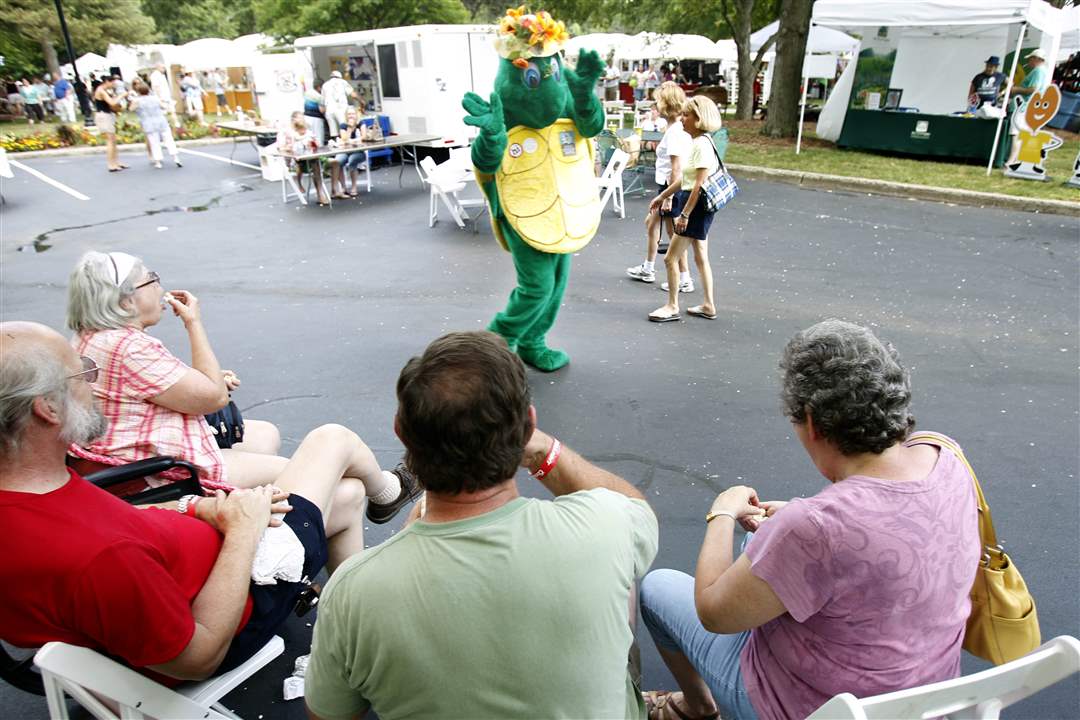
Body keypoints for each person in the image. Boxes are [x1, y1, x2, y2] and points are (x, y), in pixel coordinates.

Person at [0, 320, 391, 684]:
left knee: (348, 495)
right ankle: (386, 502)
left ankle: (357, 633)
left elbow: (108, 521)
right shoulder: (98, 559)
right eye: (83, 373)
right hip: (241, 600)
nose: (94, 385)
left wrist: (193, 506)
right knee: (331, 440)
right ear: (46, 409)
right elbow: (196, 657)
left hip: (192, 553)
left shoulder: (30, 489)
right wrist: (242, 530)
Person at [305, 331, 659, 720]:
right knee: (621, 579)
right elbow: (636, 508)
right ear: (528, 427)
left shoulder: (353, 591)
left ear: (401, 432)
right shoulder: (603, 526)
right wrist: (544, 452)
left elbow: (330, 714)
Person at [638, 320, 981, 720]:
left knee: (656, 588)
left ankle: (697, 707)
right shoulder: (944, 455)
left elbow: (713, 613)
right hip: (924, 695)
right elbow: (890, 524)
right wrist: (794, 525)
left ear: (813, 423)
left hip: (811, 707)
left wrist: (722, 513)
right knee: (760, 543)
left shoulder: (814, 528)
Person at [64, 252, 419, 568]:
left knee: (266, 435)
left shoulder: (91, 338)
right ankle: (383, 495)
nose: (159, 286)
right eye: (150, 279)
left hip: (125, 464)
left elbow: (161, 389)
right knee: (341, 474)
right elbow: (212, 397)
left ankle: (359, 514)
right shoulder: (130, 347)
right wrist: (194, 324)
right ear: (126, 301)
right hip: (165, 477)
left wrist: (208, 382)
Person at [647, 95, 723, 323]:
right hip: (698, 206)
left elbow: (697, 186)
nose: (682, 119)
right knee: (700, 257)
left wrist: (685, 214)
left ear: (699, 119)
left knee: (670, 259)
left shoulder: (700, 145)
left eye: (687, 115)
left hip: (695, 207)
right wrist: (663, 195)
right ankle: (708, 304)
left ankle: (672, 306)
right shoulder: (702, 142)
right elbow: (688, 179)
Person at [627, 82, 693, 292]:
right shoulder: (675, 129)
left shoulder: (675, 132)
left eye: (658, 101)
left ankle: (684, 278)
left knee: (674, 235)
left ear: (666, 105)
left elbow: (676, 168)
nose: (655, 105)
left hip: (670, 188)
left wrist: (668, 197)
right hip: (668, 187)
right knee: (652, 223)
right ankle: (648, 268)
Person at [1006, 48, 1052, 165]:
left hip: (1023, 107)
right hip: (1030, 107)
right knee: (1023, 134)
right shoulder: (1043, 71)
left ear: (1037, 59)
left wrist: (1015, 89)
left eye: (1031, 58)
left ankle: (1011, 161)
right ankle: (1019, 161)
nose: (1029, 61)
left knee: (1016, 134)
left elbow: (1033, 89)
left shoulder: (1038, 71)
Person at [279, 110, 331, 206]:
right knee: (311, 163)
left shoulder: (308, 131)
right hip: (293, 160)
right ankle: (301, 184)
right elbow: (281, 148)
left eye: (302, 118)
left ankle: (320, 192)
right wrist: (290, 148)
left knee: (316, 162)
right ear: (293, 121)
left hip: (308, 157)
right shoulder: (286, 133)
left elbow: (317, 145)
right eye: (300, 118)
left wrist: (312, 143)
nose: (302, 120)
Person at [130, 80, 182, 169]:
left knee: (154, 142)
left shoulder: (137, 100)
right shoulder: (155, 98)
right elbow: (164, 107)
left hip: (148, 123)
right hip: (161, 121)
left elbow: (131, 109)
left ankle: (158, 161)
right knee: (169, 140)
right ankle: (175, 158)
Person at [330, 107, 368, 198]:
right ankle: (343, 187)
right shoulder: (343, 125)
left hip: (358, 151)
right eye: (349, 114)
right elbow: (344, 139)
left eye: (353, 114)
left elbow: (364, 137)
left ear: (356, 115)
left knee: (352, 160)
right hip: (345, 150)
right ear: (346, 116)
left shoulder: (361, 124)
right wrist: (350, 129)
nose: (351, 116)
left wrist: (351, 141)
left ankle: (354, 186)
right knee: (338, 161)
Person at [93, 76, 126, 172]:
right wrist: (121, 96)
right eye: (112, 83)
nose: (113, 85)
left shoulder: (105, 91)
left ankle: (116, 162)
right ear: (107, 82)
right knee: (110, 140)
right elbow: (112, 102)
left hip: (108, 114)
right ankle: (111, 164)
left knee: (113, 140)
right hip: (103, 116)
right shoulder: (101, 91)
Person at [321, 70, 355, 139]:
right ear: (340, 77)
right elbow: (353, 94)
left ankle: (336, 146)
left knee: (334, 133)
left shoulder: (325, 85)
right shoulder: (342, 82)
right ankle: (346, 146)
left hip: (329, 110)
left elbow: (322, 102)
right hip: (340, 109)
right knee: (344, 129)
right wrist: (362, 101)